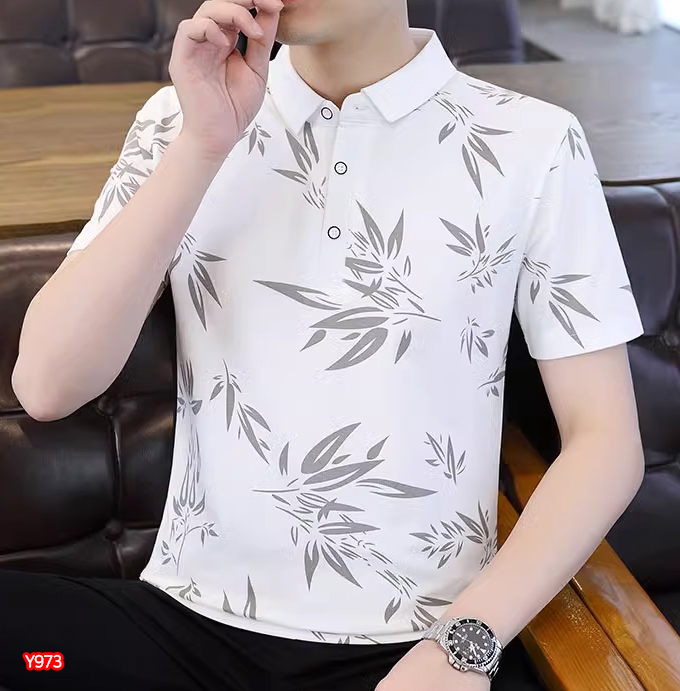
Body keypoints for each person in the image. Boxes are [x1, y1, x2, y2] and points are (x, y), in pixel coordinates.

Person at [3, 0, 646, 689]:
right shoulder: (178, 119)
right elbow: (47, 386)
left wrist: (463, 646)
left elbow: (605, 441)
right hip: (185, 626)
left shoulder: (532, 142)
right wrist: (203, 145)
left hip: (414, 646)